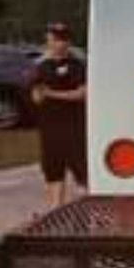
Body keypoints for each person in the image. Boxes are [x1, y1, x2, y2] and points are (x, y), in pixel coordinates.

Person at [30, 23, 87, 208]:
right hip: (50, 127)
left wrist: (52, 94)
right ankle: (55, 211)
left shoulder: (78, 65)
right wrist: (38, 92)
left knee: (82, 171)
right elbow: (36, 97)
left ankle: (85, 212)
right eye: (53, 39)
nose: (57, 43)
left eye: (61, 39)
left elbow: (82, 94)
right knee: (53, 171)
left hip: (75, 127)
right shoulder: (41, 66)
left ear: (68, 42)